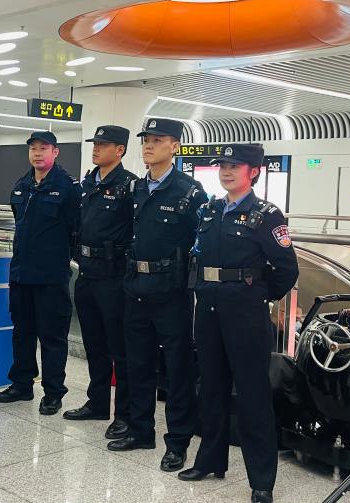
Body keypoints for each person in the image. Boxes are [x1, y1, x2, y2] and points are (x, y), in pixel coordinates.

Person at [178, 144, 299, 503]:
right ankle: (210, 461)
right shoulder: (210, 210)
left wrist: (256, 296)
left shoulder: (266, 215)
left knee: (252, 395)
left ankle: (261, 480)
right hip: (208, 310)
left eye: (235, 166)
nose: (226, 172)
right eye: (223, 166)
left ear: (254, 172)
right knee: (211, 388)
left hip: (245, 315)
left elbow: (286, 270)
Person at [108, 119, 207, 475]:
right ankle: (140, 431)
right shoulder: (135, 188)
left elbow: (202, 241)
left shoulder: (190, 192)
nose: (149, 146)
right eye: (146, 140)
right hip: (136, 288)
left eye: (158, 140)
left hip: (172, 292)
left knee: (178, 370)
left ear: (175, 146)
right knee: (138, 364)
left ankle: (177, 442)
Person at [0, 131, 80, 415]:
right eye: (33, 148)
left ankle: (53, 392)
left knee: (52, 336)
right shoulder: (22, 185)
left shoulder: (68, 187)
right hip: (21, 274)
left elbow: (75, 229)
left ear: (55, 152)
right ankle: (22, 384)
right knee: (22, 332)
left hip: (51, 277)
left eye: (44, 148)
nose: (37, 153)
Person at [62, 126, 137, 438]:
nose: (96, 149)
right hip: (86, 272)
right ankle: (97, 402)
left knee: (119, 348)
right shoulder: (87, 183)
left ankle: (124, 414)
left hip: (113, 276)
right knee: (94, 344)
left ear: (120, 150)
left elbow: (135, 231)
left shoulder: (129, 185)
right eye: (95, 143)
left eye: (104, 144)